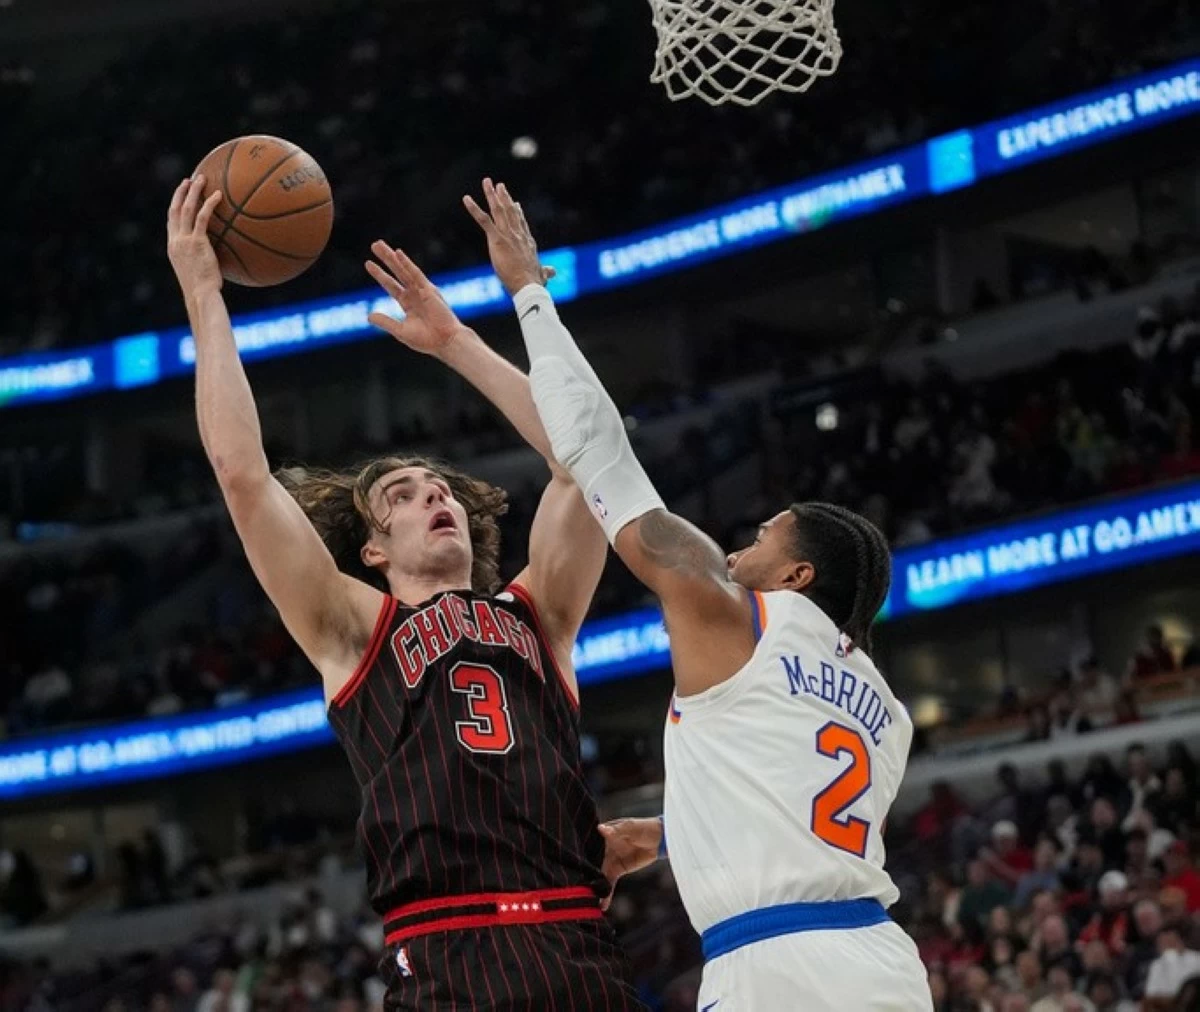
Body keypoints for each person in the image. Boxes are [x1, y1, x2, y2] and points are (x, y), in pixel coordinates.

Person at [166, 177, 645, 1009]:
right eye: (406, 496)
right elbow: (243, 477)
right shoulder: (353, 629)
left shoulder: (542, 613)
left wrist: (458, 340)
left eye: (443, 489)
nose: (437, 497)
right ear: (374, 553)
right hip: (443, 949)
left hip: (575, 941)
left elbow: (586, 460)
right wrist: (205, 293)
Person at [464, 179, 932, 1008]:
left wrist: (529, 295)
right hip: (880, 961)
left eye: (765, 538)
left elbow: (602, 455)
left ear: (798, 577)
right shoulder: (881, 708)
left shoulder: (740, 614)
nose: (745, 543)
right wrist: (669, 833)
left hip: (774, 967)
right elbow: (799, 815)